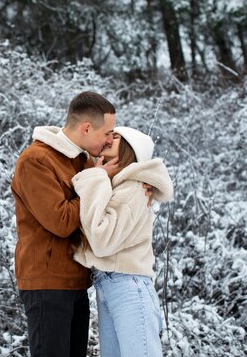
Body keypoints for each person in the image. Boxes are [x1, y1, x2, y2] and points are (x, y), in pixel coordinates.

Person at [10, 91, 117, 357]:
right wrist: (95, 180)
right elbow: (62, 221)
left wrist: (143, 183)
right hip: (47, 284)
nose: (109, 140)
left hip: (76, 280)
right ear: (86, 127)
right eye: (107, 133)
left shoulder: (82, 159)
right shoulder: (35, 160)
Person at [72, 126, 174, 357]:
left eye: (115, 137)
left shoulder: (133, 189)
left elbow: (101, 240)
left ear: (130, 148)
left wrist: (94, 179)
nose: (108, 139)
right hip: (109, 284)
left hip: (128, 284)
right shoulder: (118, 186)